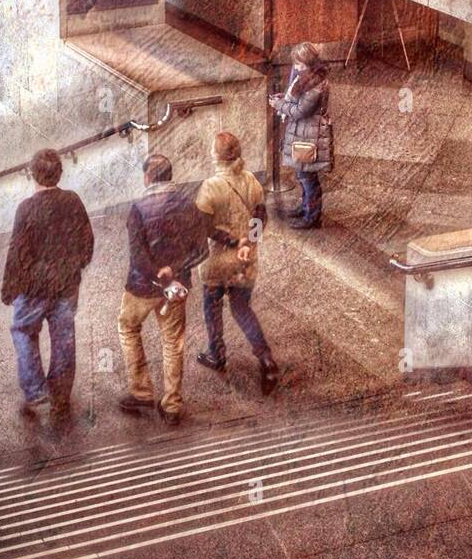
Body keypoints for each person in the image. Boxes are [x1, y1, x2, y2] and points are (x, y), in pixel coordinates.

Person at [0, 148, 94, 422]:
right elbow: (87, 241)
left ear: (33, 174)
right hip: (65, 285)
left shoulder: (26, 208)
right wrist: (76, 265)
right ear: (60, 173)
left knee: (23, 330)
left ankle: (35, 389)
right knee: (64, 338)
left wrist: (9, 290)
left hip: (34, 288)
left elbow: (17, 253)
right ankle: (60, 396)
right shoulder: (72, 201)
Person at [118, 154, 208, 426]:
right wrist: (174, 272)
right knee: (172, 341)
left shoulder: (138, 209)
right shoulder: (189, 204)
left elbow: (138, 255)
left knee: (128, 327)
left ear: (147, 177)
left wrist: (158, 275)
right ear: (170, 175)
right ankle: (172, 405)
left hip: (142, 287)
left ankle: (141, 391)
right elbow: (201, 251)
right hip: (177, 287)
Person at [194, 131, 280, 396]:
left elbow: (204, 227)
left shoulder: (210, 186)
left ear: (217, 156)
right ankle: (266, 359)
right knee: (242, 309)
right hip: (246, 261)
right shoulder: (251, 180)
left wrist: (233, 243)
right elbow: (260, 217)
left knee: (212, 306)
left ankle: (217, 354)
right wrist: (248, 244)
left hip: (218, 261)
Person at [270, 42, 332, 229]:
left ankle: (312, 216)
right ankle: (306, 208)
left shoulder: (315, 85)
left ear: (308, 64)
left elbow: (300, 111)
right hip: (304, 132)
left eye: (299, 64)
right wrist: (284, 98)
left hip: (309, 134)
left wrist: (278, 106)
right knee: (303, 174)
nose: (296, 68)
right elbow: (298, 101)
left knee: (307, 177)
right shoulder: (308, 79)